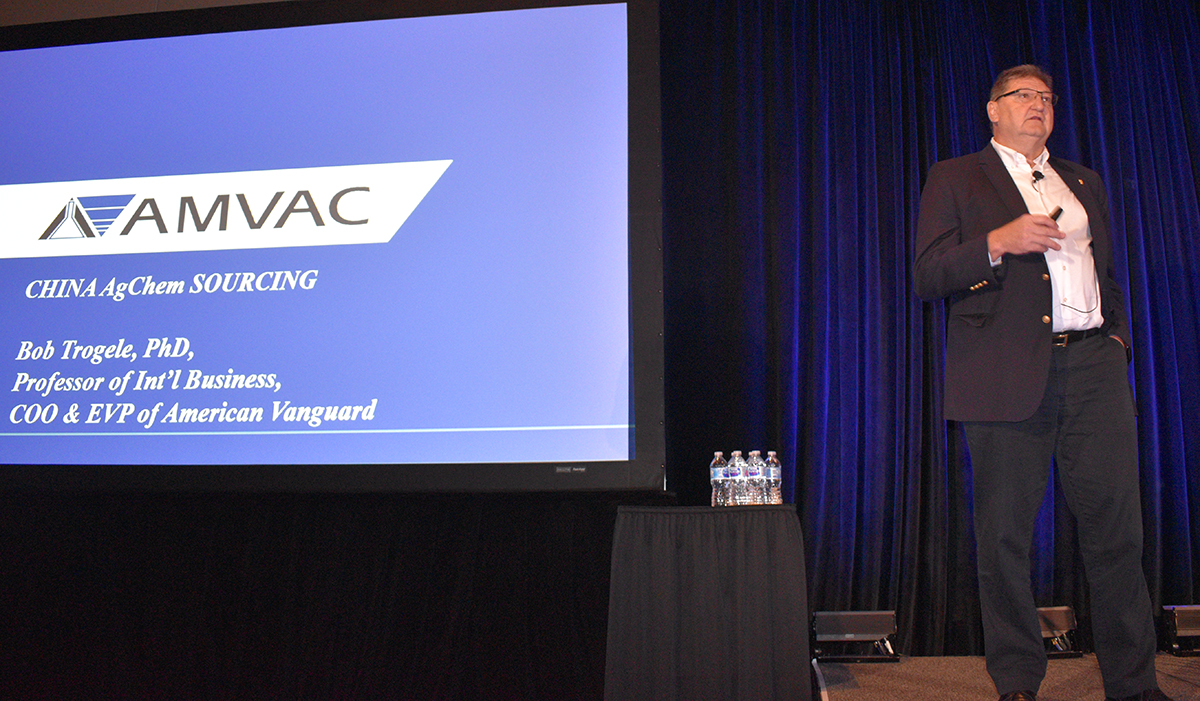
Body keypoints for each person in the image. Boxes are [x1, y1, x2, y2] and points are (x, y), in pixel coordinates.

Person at [913, 65, 1172, 701]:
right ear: (992, 108)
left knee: (1118, 532)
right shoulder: (956, 176)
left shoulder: (1082, 180)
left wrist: (1116, 338)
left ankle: (1134, 684)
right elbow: (929, 273)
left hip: (1093, 368)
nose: (1039, 105)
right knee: (1004, 537)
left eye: (1048, 98)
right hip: (1005, 372)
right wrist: (997, 243)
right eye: (1024, 95)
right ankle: (1018, 681)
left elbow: (1106, 270)